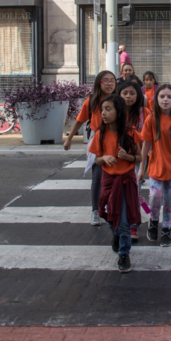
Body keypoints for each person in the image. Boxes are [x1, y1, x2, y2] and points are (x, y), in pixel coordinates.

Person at [89, 95, 143, 273]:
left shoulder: (131, 133)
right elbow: (95, 160)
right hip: (108, 182)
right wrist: (103, 157)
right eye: (102, 109)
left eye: (108, 109)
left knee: (124, 221)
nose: (104, 113)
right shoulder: (100, 134)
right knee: (106, 214)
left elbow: (140, 157)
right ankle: (118, 236)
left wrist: (128, 158)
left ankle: (124, 254)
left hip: (126, 181)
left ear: (119, 112)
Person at [137, 84, 171, 247]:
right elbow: (145, 144)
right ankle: (153, 222)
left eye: (169, 96)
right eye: (162, 96)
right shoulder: (151, 119)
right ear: (156, 99)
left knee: (169, 201)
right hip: (155, 169)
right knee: (154, 198)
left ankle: (166, 229)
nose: (165, 100)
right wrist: (141, 169)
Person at [64, 70, 117, 226]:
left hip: (116, 140)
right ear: (98, 83)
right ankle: (96, 210)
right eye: (105, 80)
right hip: (98, 141)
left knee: (122, 177)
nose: (109, 83)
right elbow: (80, 121)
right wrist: (69, 139)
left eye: (112, 80)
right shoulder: (92, 101)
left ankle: (132, 211)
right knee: (98, 177)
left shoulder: (119, 100)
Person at [118, 80, 150, 241]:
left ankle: (134, 226)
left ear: (138, 95)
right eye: (124, 93)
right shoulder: (116, 111)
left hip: (139, 157)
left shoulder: (144, 112)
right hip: (120, 158)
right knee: (123, 192)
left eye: (132, 93)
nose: (128, 96)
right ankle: (144, 207)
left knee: (135, 190)